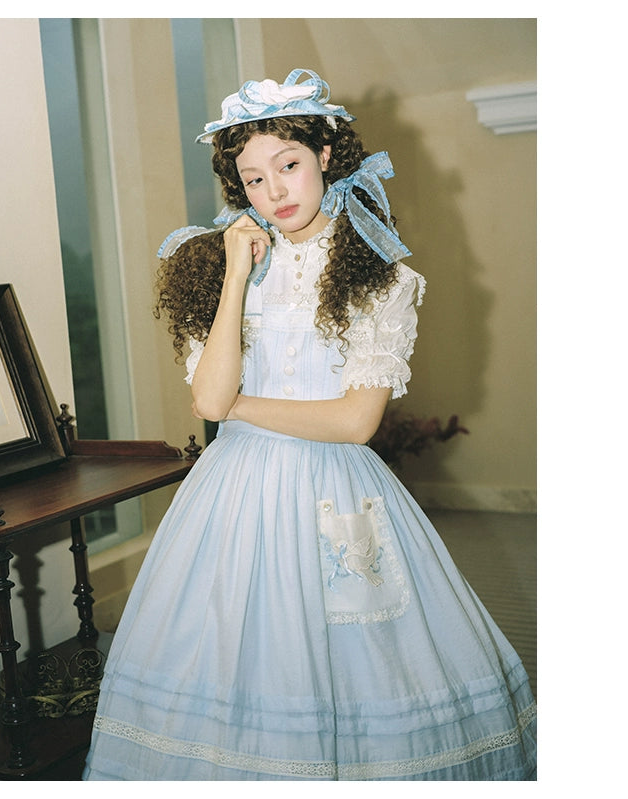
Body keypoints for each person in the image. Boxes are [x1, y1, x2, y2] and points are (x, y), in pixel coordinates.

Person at [82, 68, 536, 781]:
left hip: (335, 486)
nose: (275, 191)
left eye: (288, 165)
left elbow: (354, 420)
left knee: (362, 660)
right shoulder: (218, 266)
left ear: (325, 156)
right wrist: (235, 275)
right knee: (226, 652)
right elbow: (208, 395)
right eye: (253, 179)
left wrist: (236, 407)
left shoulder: (382, 275)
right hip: (231, 494)